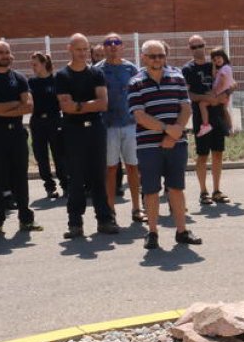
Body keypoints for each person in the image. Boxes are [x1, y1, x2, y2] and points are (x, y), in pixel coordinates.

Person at [127, 40, 202, 251]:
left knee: (176, 188)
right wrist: (167, 130)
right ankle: (152, 233)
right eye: (152, 56)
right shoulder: (135, 82)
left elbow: (186, 108)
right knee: (151, 190)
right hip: (148, 145)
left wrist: (176, 130)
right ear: (143, 57)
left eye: (161, 55)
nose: (157, 60)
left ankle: (182, 231)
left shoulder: (177, 77)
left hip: (177, 143)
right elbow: (139, 115)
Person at [56, 34, 118, 238]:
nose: (82, 53)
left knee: (98, 176)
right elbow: (66, 106)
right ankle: (75, 223)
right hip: (73, 131)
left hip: (96, 129)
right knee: (76, 177)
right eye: (78, 49)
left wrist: (80, 105)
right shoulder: (62, 76)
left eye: (85, 49)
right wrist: (85, 105)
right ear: (70, 49)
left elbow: (103, 103)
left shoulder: (96, 73)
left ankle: (104, 220)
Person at [0, 39, 42, 237]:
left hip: (16, 134)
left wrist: (1, 108)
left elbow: (29, 106)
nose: (6, 55)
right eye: (1, 52)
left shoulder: (20, 78)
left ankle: (26, 220)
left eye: (8, 52)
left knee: (20, 178)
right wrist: (14, 105)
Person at [96, 33, 145, 224]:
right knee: (110, 169)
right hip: (107, 126)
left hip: (130, 125)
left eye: (117, 43)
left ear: (122, 46)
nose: (113, 46)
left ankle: (136, 208)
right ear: (103, 47)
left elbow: (140, 94)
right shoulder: (97, 70)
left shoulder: (131, 68)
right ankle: (110, 211)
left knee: (133, 167)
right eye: (109, 43)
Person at [181, 35, 231, 206]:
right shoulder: (187, 69)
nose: (198, 49)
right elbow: (187, 94)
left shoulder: (214, 63)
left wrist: (224, 96)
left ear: (205, 46)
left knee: (218, 153)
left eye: (200, 45)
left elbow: (230, 82)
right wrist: (205, 98)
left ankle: (217, 190)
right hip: (201, 118)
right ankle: (204, 192)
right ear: (190, 49)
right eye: (194, 47)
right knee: (202, 155)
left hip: (217, 114)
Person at [29, 52, 68, 199]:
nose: (33, 67)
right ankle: (49, 186)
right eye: (31, 64)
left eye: (35, 64)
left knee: (59, 154)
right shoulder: (31, 82)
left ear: (44, 64)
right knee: (41, 155)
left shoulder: (56, 80)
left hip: (54, 120)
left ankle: (65, 184)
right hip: (38, 121)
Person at [197, 47, 236, 137]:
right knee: (224, 110)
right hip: (223, 95)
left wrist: (214, 92)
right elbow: (214, 76)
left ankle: (206, 125)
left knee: (202, 104)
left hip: (220, 95)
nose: (217, 60)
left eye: (218, 58)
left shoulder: (225, 69)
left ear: (224, 57)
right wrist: (214, 65)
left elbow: (222, 83)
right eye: (214, 59)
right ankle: (230, 128)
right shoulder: (223, 69)